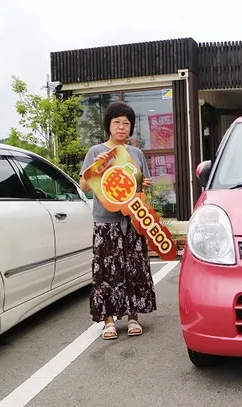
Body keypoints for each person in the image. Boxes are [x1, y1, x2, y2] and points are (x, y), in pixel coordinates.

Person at [78, 101, 157, 340]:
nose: (122, 127)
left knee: (133, 267)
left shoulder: (136, 153)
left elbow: (141, 184)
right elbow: (84, 186)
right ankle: (109, 321)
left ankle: (133, 317)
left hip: (132, 218)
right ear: (108, 126)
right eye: (116, 122)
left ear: (130, 127)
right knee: (106, 270)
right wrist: (98, 166)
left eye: (126, 123)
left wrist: (144, 184)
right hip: (106, 220)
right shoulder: (96, 151)